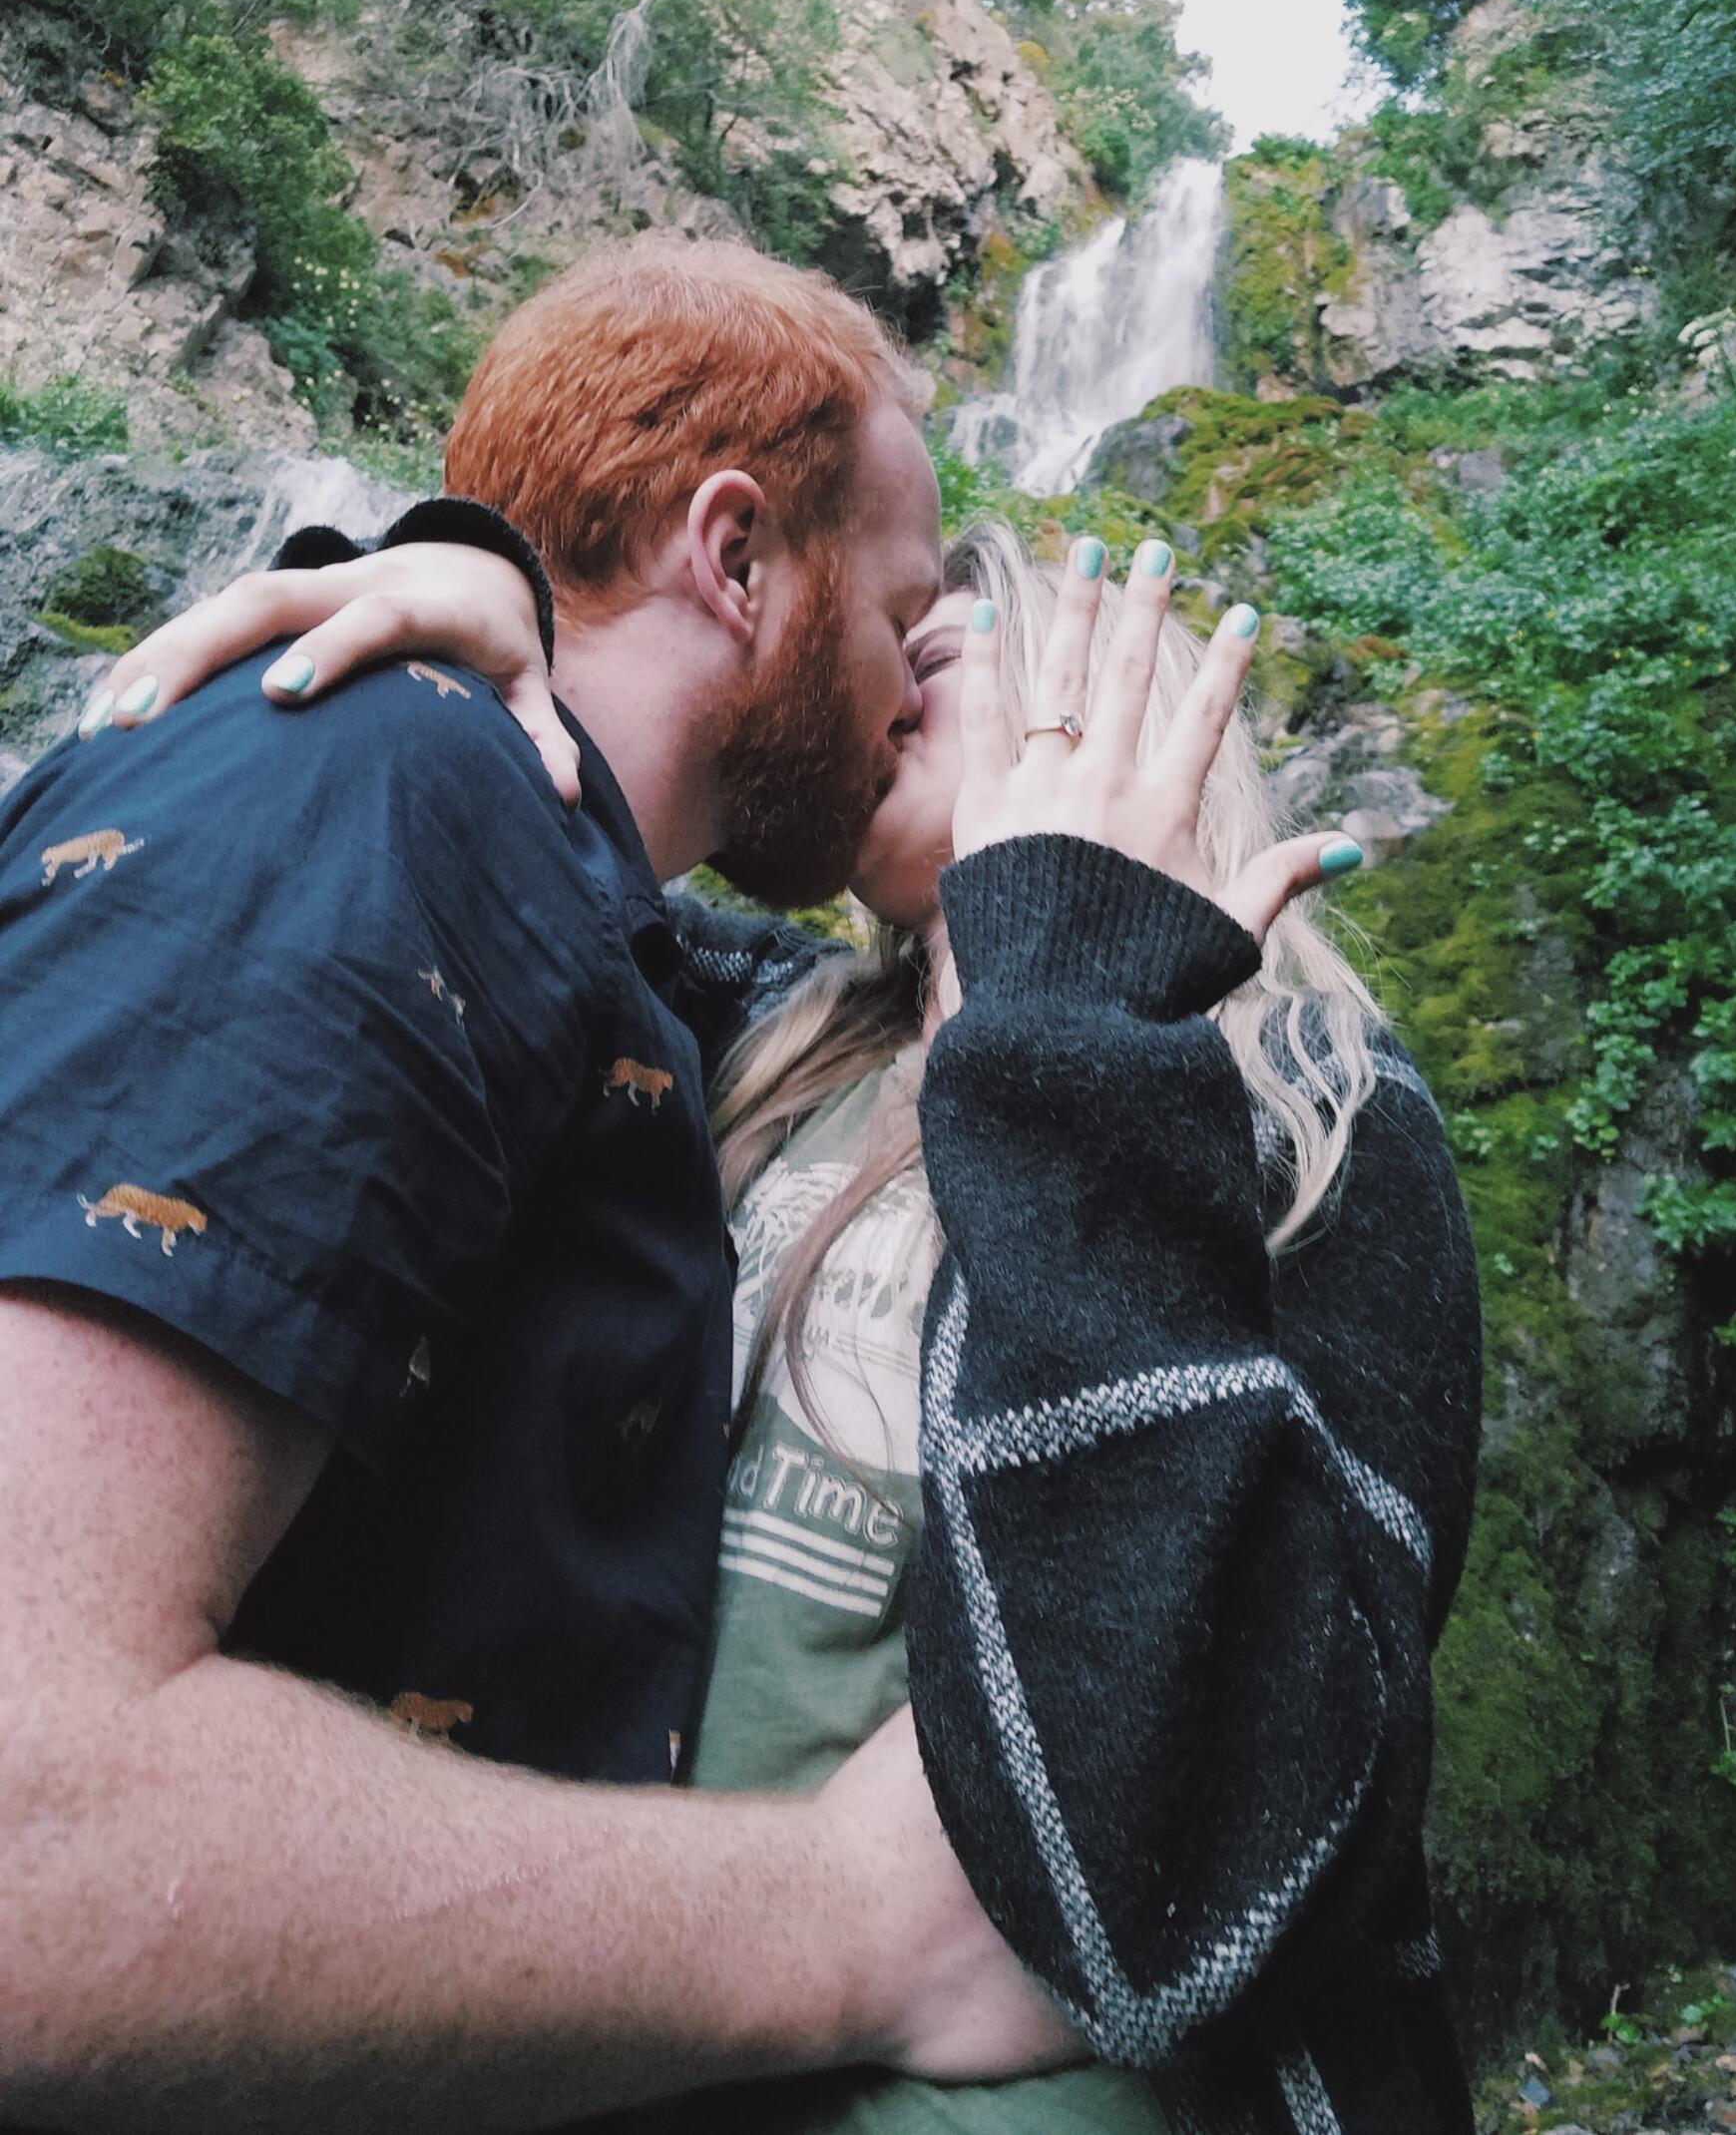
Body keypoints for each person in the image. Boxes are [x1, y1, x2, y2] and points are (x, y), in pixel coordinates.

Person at [103, 501, 1486, 2135]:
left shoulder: (1315, 1100)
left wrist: (1073, 997)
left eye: (934, 657)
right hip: (633, 2025)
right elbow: (519, 846)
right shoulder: (750, 1018)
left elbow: (1210, 1855)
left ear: (1103, 698)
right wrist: (501, 595)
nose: (881, 698)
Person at [0, 237, 1077, 2131]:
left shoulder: (582, 921)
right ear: (735, 559)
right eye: (902, 615)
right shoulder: (379, 788)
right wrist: (842, 1927)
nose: (914, 689)